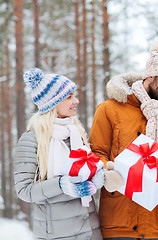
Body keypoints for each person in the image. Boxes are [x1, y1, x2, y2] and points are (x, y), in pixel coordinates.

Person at [89, 39, 158, 240]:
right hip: (120, 220)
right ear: (150, 75)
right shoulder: (109, 109)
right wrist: (107, 171)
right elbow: (95, 152)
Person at [14, 68, 104, 240]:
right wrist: (61, 185)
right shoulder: (32, 140)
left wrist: (97, 177)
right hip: (57, 235)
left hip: (91, 231)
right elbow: (24, 190)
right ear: (52, 102)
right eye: (69, 97)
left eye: (74, 95)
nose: (76, 101)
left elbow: (88, 168)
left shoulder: (76, 132)